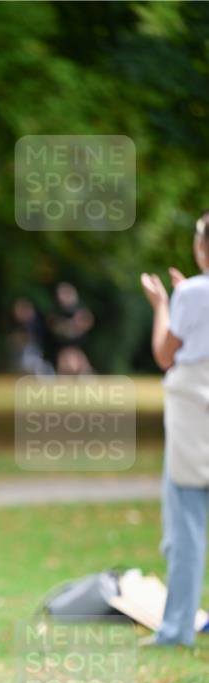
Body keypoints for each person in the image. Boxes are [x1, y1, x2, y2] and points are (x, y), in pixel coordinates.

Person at [140, 211, 209, 645]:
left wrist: (164, 304)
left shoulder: (192, 293)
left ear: (203, 247)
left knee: (184, 526)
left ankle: (177, 627)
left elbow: (166, 354)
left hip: (193, 414)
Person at [46, 281, 94, 374]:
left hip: (75, 347)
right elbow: (54, 328)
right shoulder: (55, 311)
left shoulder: (79, 310)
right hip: (59, 348)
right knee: (67, 360)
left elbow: (86, 323)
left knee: (75, 358)